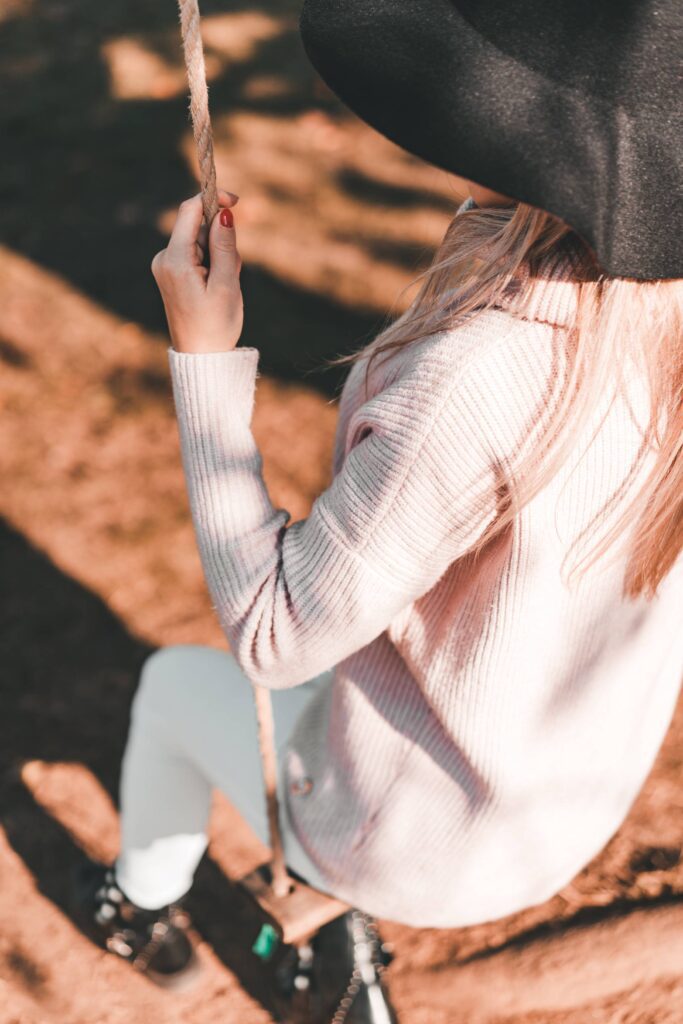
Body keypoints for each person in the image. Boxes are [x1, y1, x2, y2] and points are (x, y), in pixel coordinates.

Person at [75, 1, 682, 1021]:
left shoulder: (476, 381)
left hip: (425, 842)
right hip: (561, 810)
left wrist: (203, 354)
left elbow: (275, 637)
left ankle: (141, 904)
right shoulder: (656, 338)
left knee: (175, 687)